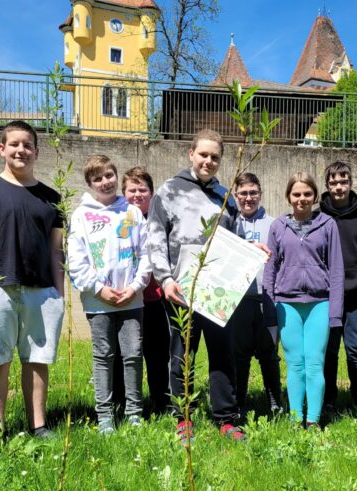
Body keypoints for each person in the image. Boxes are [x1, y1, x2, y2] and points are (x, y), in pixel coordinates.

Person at [0, 120, 65, 448]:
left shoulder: (52, 198)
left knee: (37, 361)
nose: (21, 150)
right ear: (2, 148)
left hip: (41, 294)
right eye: (14, 144)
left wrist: (59, 294)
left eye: (27, 145)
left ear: (36, 151)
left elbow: (56, 250)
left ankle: (38, 426)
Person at [147, 129, 245, 443]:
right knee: (182, 356)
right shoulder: (167, 191)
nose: (208, 161)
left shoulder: (226, 197)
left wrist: (251, 254)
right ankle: (183, 418)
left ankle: (226, 418)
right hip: (180, 292)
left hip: (217, 292)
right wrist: (165, 278)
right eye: (203, 154)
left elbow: (237, 241)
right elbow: (155, 239)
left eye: (215, 157)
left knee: (222, 355)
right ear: (191, 153)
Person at [68, 155, 151, 435]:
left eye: (109, 175)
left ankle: (134, 412)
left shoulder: (132, 212)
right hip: (98, 301)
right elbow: (77, 261)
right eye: (98, 178)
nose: (105, 182)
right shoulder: (80, 215)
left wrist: (135, 287)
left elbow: (145, 254)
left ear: (117, 176)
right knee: (103, 356)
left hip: (132, 299)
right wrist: (99, 289)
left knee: (133, 355)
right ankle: (104, 416)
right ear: (90, 184)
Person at [264, 172, 344, 429]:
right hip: (286, 304)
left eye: (307, 194)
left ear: (315, 196)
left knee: (315, 362)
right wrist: (269, 305)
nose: (302, 199)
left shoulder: (328, 224)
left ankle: (314, 420)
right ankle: (296, 418)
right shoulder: (278, 226)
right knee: (294, 363)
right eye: (296, 194)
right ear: (289, 197)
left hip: (319, 303)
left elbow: (337, 270)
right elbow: (270, 269)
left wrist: (335, 312)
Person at [320, 160, 357, 409]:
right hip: (327, 296)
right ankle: (329, 399)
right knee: (329, 350)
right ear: (327, 186)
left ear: (350, 183)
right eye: (334, 182)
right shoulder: (318, 215)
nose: (339, 187)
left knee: (355, 348)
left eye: (343, 182)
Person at [113, 167, 171, 417]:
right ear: (123, 193)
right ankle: (120, 403)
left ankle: (161, 403)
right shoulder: (116, 219)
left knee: (157, 355)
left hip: (154, 298)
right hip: (123, 299)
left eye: (142, 189)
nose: (137, 194)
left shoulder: (160, 220)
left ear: (151, 192)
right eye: (131, 190)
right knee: (120, 355)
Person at [231, 172, 283, 416]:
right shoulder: (230, 223)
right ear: (235, 196)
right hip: (239, 300)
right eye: (243, 193)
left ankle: (275, 403)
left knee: (269, 354)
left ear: (260, 194)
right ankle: (239, 404)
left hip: (267, 299)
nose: (248, 198)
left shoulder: (275, 224)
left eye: (253, 193)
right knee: (239, 356)